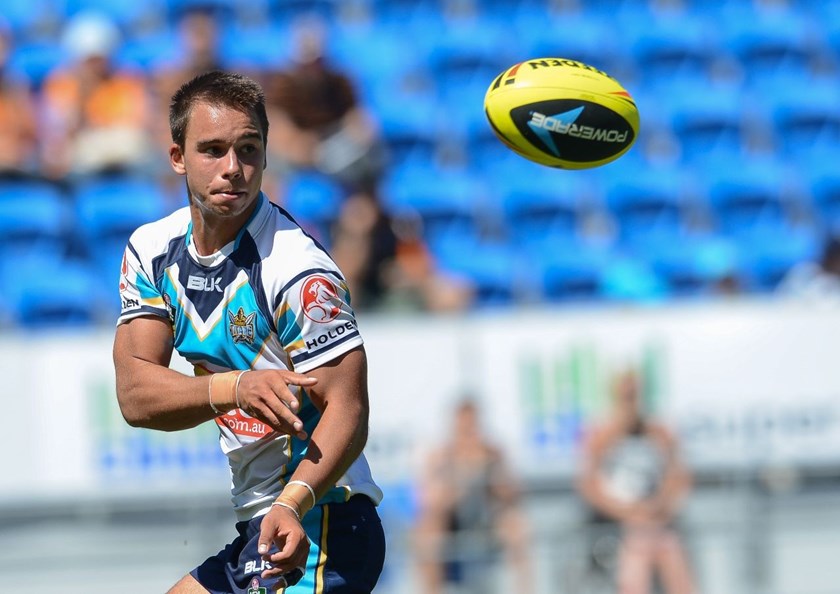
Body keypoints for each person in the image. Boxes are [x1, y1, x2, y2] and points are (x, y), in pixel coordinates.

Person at [112, 70, 385, 594]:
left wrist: (291, 501)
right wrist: (235, 387)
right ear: (177, 158)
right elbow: (136, 395)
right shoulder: (150, 250)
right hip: (259, 527)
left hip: (319, 523)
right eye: (212, 150)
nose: (232, 169)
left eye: (248, 149)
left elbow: (348, 408)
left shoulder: (298, 272)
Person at [576, 369, 696, 594]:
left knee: (670, 553)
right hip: (618, 525)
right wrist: (628, 513)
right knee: (637, 554)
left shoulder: (658, 432)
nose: (631, 402)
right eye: (626, 396)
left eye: (635, 395)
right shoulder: (601, 435)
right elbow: (589, 487)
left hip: (657, 521)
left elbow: (679, 477)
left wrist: (658, 506)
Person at [414, 398, 532, 594]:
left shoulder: (493, 452)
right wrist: (464, 477)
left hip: (487, 519)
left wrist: (492, 475)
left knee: (517, 527)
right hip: (451, 521)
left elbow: (514, 494)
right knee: (427, 533)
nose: (469, 430)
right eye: (464, 424)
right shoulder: (440, 455)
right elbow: (429, 501)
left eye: (472, 424)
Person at [263, 14, 386, 198]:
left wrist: (350, 139)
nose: (313, 68)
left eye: (317, 60)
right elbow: (281, 137)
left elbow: (361, 122)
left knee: (372, 163)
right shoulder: (280, 85)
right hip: (296, 160)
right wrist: (316, 151)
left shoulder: (339, 83)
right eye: (307, 62)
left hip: (335, 150)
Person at [39, 11, 153, 180]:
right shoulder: (61, 83)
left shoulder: (125, 79)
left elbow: (137, 124)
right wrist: (82, 97)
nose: (95, 66)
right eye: (89, 60)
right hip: (81, 152)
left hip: (119, 148)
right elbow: (60, 134)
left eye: (99, 59)